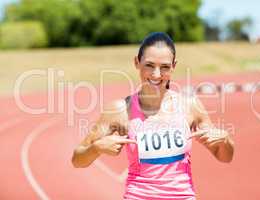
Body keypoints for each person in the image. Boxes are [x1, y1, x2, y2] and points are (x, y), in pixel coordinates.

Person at [72, 32, 234, 199]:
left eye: (164, 67)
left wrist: (225, 139)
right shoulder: (120, 110)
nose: (156, 74)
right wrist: (96, 148)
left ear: (174, 66)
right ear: (137, 62)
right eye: (149, 65)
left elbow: (225, 157)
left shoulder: (190, 106)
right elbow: (77, 159)